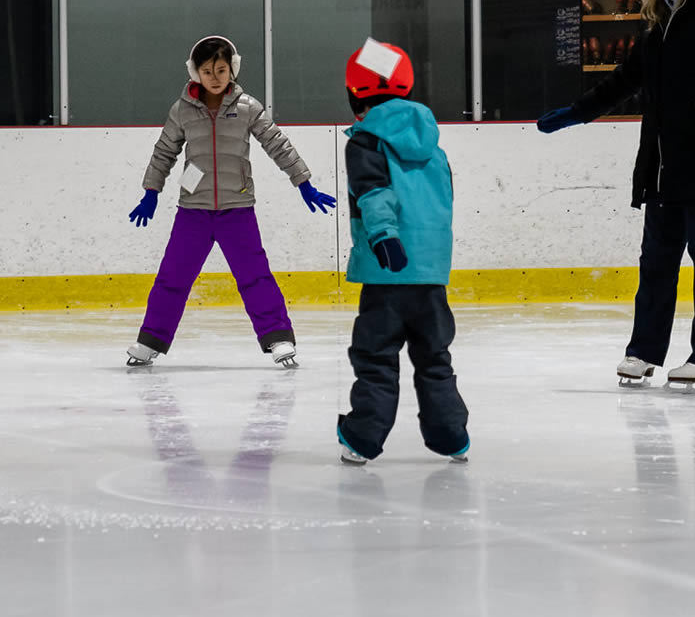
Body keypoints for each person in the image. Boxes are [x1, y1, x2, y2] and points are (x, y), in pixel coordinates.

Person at [537, 0, 695, 387]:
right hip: (662, 162)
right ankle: (644, 351)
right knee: (656, 258)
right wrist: (578, 113)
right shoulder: (658, 18)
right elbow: (624, 79)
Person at [126, 35, 335, 370]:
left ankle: (278, 338)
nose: (215, 77)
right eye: (208, 71)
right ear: (196, 72)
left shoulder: (248, 107)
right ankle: (150, 341)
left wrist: (303, 183)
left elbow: (277, 144)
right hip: (193, 211)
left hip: (237, 210)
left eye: (221, 69)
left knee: (255, 276)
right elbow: (164, 151)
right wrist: (152, 191)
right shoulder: (181, 111)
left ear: (232, 69)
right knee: (172, 277)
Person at [335, 39, 468, 465]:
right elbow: (442, 202)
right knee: (434, 357)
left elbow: (373, 193)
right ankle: (452, 438)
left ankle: (362, 437)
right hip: (430, 274)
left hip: (387, 272)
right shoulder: (433, 144)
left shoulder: (365, 142)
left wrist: (385, 239)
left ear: (355, 94)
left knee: (375, 356)